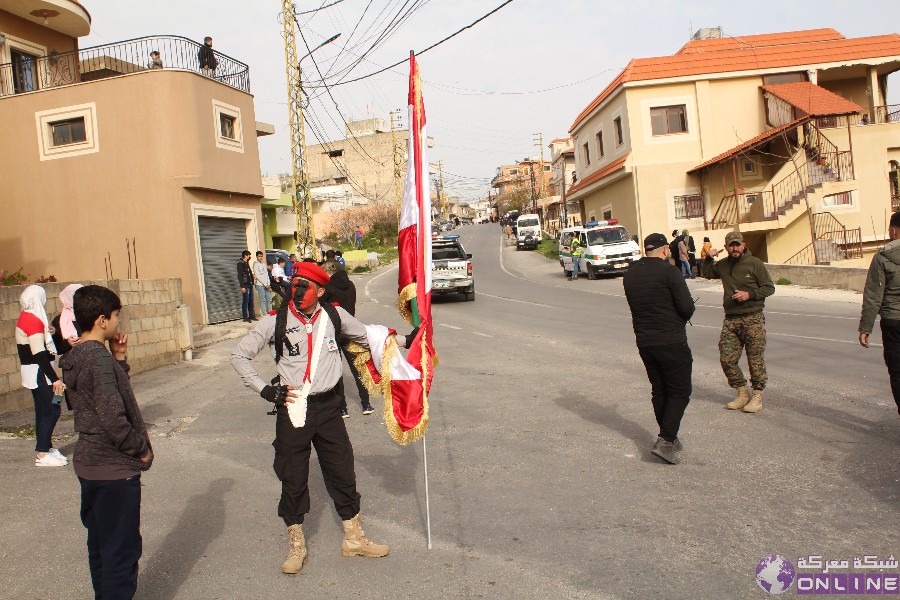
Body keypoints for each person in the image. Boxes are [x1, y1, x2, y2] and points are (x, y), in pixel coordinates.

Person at [231, 262, 397, 575]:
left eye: (305, 286)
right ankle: (296, 545)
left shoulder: (334, 316)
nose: (297, 291)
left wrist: (408, 341)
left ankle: (354, 538)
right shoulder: (275, 321)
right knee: (292, 476)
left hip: (329, 408)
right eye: (295, 284)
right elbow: (239, 356)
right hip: (293, 408)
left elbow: (368, 338)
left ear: (320, 291)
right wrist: (266, 390)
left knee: (342, 470)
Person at [61, 285, 153, 600]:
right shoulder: (97, 360)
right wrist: (140, 449)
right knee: (121, 554)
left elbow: (94, 397)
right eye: (115, 317)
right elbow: (113, 418)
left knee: (101, 547)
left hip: (89, 464)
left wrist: (119, 358)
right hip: (112, 467)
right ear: (101, 320)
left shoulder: (78, 355)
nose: (118, 323)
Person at [623, 233, 695, 464]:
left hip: (645, 342)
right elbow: (686, 308)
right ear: (665, 249)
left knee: (660, 389)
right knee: (680, 391)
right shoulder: (669, 272)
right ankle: (666, 438)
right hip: (671, 340)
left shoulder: (630, 273)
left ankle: (669, 437)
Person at [702, 231, 775, 413]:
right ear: (726, 247)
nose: (734, 248)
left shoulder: (754, 264)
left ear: (743, 246)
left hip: (753, 317)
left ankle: (757, 395)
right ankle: (742, 392)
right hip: (731, 319)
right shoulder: (724, 265)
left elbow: (769, 287)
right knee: (727, 358)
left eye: (737, 245)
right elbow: (707, 273)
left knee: (755, 359)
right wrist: (708, 258)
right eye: (731, 245)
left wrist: (749, 294)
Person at [16, 285, 67, 466]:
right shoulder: (32, 321)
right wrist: (55, 379)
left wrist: (50, 332)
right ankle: (42, 454)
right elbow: (39, 354)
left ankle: (46, 446)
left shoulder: (30, 317)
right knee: (52, 410)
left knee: (44, 411)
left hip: (39, 372)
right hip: (40, 373)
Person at [858, 211, 900, 415]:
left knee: (898, 372)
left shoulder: (882, 257)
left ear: (893, 231)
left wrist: (866, 327)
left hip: (893, 322)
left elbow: (873, 295)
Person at [323, 266, 375, 417]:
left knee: (335, 370)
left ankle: (342, 408)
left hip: (333, 333)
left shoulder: (327, 288)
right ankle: (366, 404)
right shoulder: (351, 285)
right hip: (350, 331)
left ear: (329, 271)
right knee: (357, 369)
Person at [253, 251, 273, 316]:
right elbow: (258, 276)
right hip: (260, 284)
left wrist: (268, 283)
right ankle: (265, 315)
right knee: (263, 300)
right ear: (256, 256)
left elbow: (267, 275)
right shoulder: (255, 265)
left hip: (266, 285)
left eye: (261, 256)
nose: (260, 257)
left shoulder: (264, 264)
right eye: (259, 256)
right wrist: (265, 284)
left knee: (269, 299)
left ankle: (270, 313)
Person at [237, 250, 255, 323]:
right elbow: (240, 275)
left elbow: (249, 273)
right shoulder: (240, 263)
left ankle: (251, 315)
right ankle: (245, 316)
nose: (249, 257)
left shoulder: (246, 263)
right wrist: (242, 286)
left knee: (251, 300)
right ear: (245, 255)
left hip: (250, 284)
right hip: (245, 285)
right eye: (248, 256)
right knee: (246, 301)